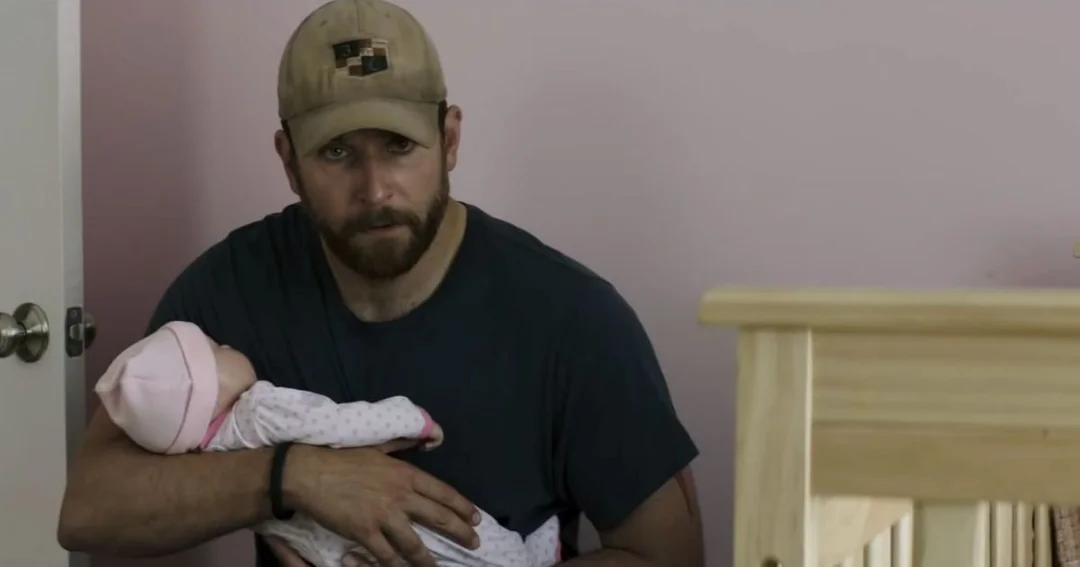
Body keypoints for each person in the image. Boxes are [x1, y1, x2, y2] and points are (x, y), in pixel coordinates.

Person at [57, 0, 704, 565]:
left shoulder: (572, 319)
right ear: (289, 161)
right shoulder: (230, 290)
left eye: (399, 146)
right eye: (337, 152)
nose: (375, 190)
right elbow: (88, 509)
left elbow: (669, 555)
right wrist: (295, 477)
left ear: (449, 139)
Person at [92, 320, 561, 567]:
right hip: (389, 517)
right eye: (216, 351)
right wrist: (410, 419)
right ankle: (527, 555)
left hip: (332, 547)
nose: (227, 346)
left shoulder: (205, 460)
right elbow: (337, 423)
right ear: (209, 393)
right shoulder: (258, 411)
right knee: (469, 539)